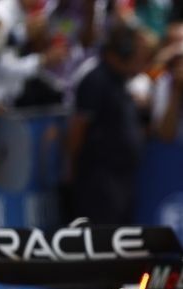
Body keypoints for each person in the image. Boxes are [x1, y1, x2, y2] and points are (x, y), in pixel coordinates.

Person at [66, 20, 145, 225]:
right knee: (102, 238)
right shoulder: (95, 79)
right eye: (134, 53)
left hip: (121, 177)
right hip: (98, 178)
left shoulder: (121, 80)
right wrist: (71, 170)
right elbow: (78, 128)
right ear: (119, 53)